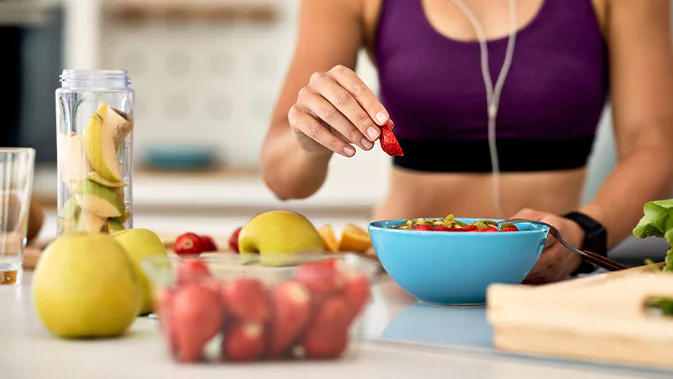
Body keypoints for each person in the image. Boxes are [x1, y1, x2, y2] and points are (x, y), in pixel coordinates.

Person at [261, 0, 673, 283]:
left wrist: (584, 233)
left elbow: (655, 145)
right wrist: (309, 139)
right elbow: (284, 178)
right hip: (404, 286)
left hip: (547, 282)